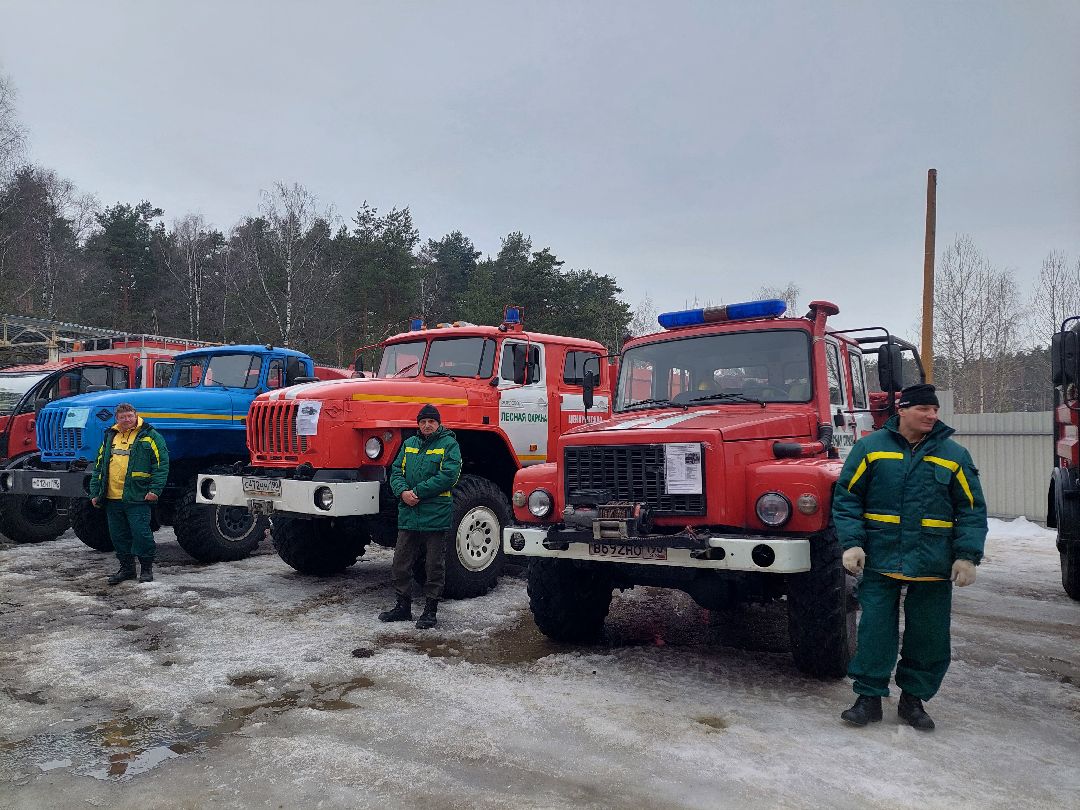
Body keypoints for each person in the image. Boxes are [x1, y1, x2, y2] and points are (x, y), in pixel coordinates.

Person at [833, 383, 987, 731]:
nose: (932, 416)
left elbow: (972, 509)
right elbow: (847, 500)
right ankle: (868, 699)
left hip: (932, 562)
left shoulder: (954, 455)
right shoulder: (870, 449)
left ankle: (913, 701)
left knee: (929, 635)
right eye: (924, 410)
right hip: (881, 558)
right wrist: (852, 543)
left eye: (935, 410)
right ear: (902, 410)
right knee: (874, 630)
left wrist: (967, 555)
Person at [379, 403, 462, 629]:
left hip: (435, 514)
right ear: (418, 424)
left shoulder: (449, 445)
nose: (427, 425)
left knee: (433, 565)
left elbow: (449, 476)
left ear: (438, 424)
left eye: (431, 422)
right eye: (423, 422)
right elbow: (396, 472)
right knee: (400, 563)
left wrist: (417, 492)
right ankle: (402, 607)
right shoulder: (409, 444)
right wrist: (402, 492)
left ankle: (430, 610)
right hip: (409, 513)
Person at [89, 403, 170, 585]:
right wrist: (95, 492)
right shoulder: (111, 436)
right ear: (116, 419)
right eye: (123, 417)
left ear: (136, 416)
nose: (127, 420)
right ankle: (127, 569)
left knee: (141, 534)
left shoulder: (150, 436)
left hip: (138, 496)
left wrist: (155, 490)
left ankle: (146, 569)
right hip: (112, 498)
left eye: (130, 416)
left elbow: (161, 465)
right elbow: (99, 467)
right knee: (118, 536)